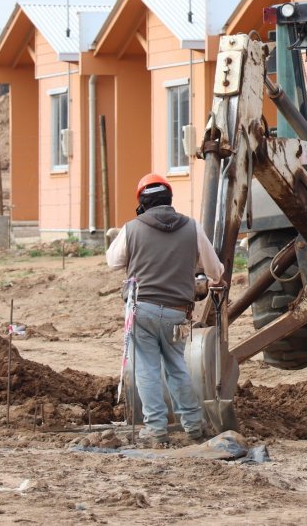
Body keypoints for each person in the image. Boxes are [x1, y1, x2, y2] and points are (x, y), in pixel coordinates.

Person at [106, 173, 224, 445]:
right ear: (170, 199)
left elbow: (113, 261)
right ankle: (194, 426)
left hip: (142, 310)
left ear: (142, 204)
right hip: (178, 313)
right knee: (177, 367)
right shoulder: (192, 227)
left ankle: (157, 429)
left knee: (146, 368)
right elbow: (215, 271)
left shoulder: (132, 228)